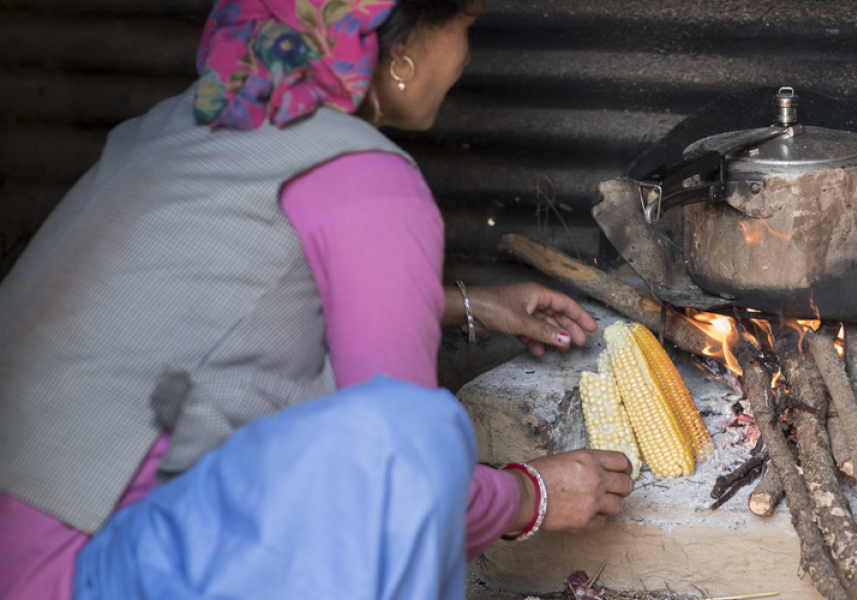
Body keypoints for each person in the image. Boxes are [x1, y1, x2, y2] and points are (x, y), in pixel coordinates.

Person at [0, 0, 635, 598]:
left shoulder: (175, 127)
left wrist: (470, 304)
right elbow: (403, 474)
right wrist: (532, 496)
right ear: (402, 48)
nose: (466, 56)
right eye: (464, 26)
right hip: (84, 571)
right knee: (420, 429)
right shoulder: (368, 178)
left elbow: (235, 311)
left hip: (28, 537)